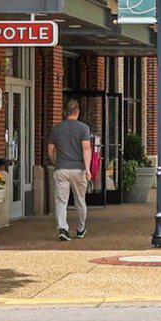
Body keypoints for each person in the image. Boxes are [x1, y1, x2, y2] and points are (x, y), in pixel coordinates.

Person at [47, 99, 94, 241]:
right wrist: (88, 169)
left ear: (64, 113)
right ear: (77, 113)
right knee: (80, 200)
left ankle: (62, 228)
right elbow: (86, 148)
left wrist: (56, 163)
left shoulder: (56, 128)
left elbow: (50, 150)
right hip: (78, 169)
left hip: (61, 168)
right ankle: (80, 229)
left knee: (61, 200)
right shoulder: (83, 128)